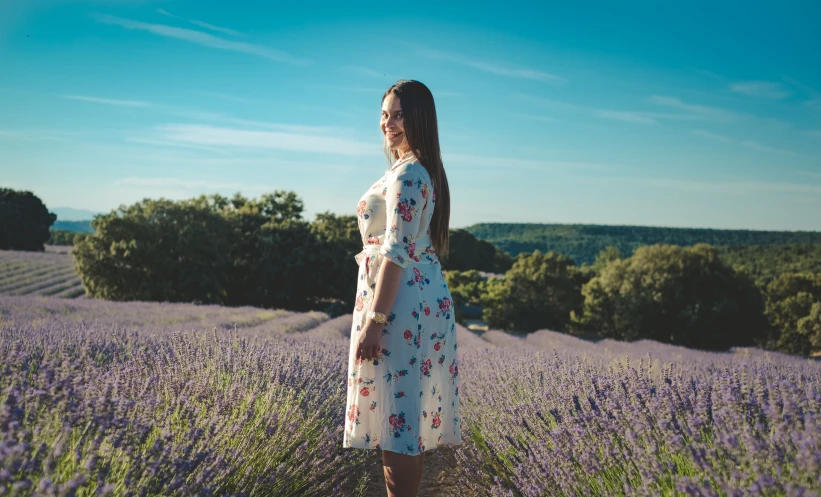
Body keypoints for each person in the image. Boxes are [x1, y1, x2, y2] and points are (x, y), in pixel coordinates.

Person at [343, 79, 462, 497]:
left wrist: (376, 319)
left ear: (419, 119)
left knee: (399, 423)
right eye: (384, 115)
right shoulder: (408, 169)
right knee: (400, 418)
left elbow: (395, 251)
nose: (388, 124)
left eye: (398, 115)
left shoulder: (410, 173)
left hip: (399, 306)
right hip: (407, 301)